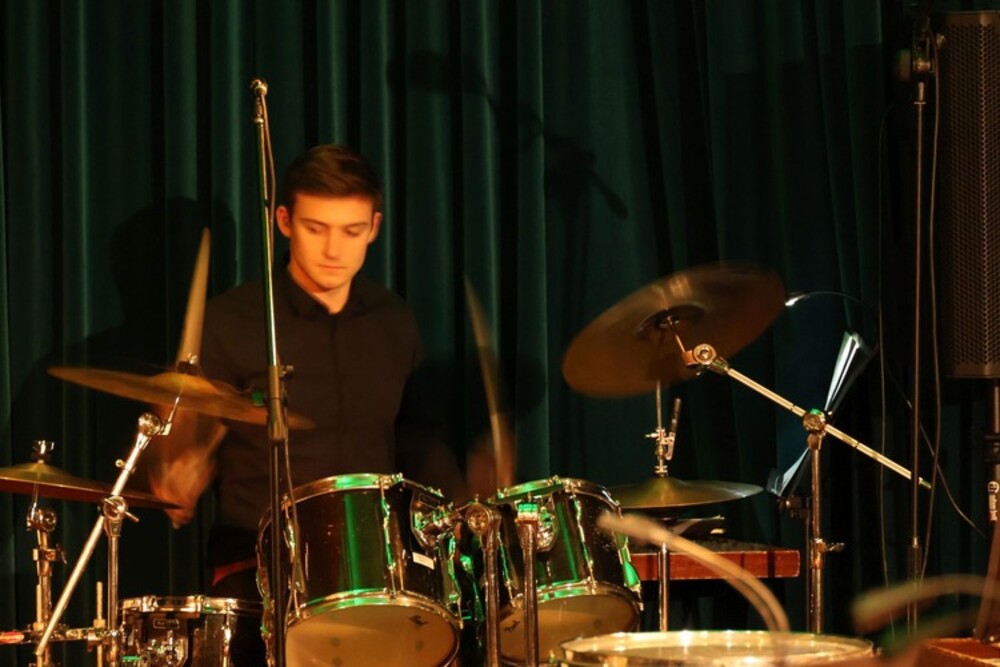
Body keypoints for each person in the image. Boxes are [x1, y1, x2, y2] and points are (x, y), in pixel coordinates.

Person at [146, 144, 470, 623]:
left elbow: (418, 439)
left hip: (376, 567)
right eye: (316, 228)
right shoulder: (232, 320)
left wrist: (458, 505)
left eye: (351, 231)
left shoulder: (393, 320)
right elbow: (186, 429)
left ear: (374, 228)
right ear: (284, 221)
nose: (334, 250)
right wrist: (176, 463)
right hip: (256, 566)